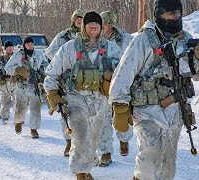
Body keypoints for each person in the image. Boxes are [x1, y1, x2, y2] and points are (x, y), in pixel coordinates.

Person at [108, 0, 199, 179]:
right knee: (150, 157)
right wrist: (119, 106)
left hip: (176, 111)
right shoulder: (144, 39)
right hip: (147, 111)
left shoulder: (186, 39)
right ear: (159, 14)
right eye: (170, 13)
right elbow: (124, 72)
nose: (175, 17)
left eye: (177, 13)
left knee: (168, 165)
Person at [44, 11, 122, 179]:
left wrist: (112, 75)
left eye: (97, 23)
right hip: (75, 97)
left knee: (93, 138)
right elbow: (52, 73)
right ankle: (80, 172)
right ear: (83, 27)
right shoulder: (70, 47)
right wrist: (52, 93)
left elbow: (124, 72)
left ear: (101, 27)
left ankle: (86, 168)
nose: (93, 26)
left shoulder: (111, 48)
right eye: (89, 23)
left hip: (100, 99)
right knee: (80, 135)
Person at [96, 10, 134, 166]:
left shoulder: (126, 40)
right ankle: (105, 152)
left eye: (103, 24)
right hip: (101, 86)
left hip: (121, 84)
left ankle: (124, 140)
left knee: (122, 114)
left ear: (110, 24)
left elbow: (133, 59)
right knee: (103, 118)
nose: (101, 27)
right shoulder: (94, 40)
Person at [46, 9, 85, 157]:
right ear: (73, 20)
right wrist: (64, 59)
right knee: (66, 113)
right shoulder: (64, 36)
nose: (80, 21)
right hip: (67, 79)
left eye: (82, 18)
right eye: (78, 19)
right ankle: (69, 142)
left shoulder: (88, 35)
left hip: (85, 79)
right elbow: (49, 52)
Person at [5, 37, 48, 138]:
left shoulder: (39, 54)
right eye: (27, 44)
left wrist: (42, 72)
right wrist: (17, 70)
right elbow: (7, 68)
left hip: (35, 85)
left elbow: (46, 65)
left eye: (31, 44)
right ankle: (18, 122)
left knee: (36, 108)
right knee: (21, 107)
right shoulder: (18, 55)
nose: (29, 46)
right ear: (24, 45)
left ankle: (34, 129)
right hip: (21, 86)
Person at [0, 41, 16, 124]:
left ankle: (18, 119)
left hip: (14, 82)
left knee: (18, 101)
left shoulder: (17, 57)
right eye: (8, 47)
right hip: (3, 84)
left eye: (11, 46)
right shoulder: (0, 59)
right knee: (5, 102)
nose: (10, 48)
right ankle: (5, 118)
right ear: (5, 49)